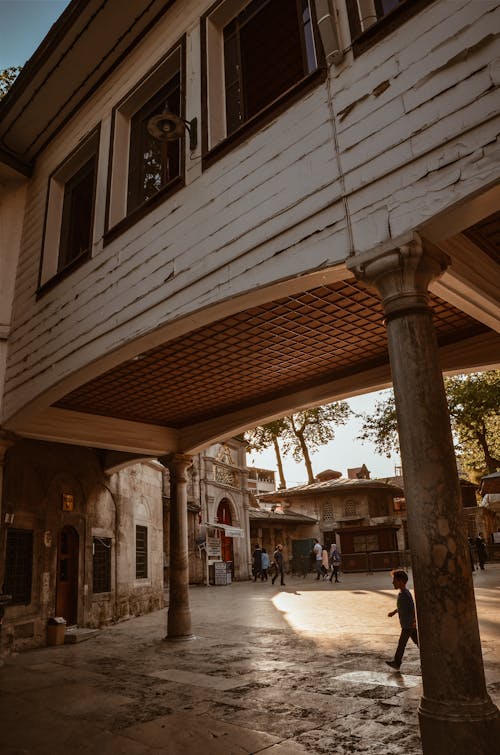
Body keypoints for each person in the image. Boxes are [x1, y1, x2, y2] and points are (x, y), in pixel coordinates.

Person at [385, 569, 419, 671]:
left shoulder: (406, 594)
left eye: (394, 581)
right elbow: (401, 607)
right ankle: (429, 656)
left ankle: (397, 662)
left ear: (400, 581)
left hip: (408, 625)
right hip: (407, 624)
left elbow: (412, 608)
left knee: (401, 644)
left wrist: (413, 621)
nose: (393, 583)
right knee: (418, 642)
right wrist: (394, 612)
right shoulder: (402, 593)